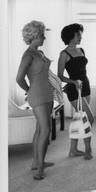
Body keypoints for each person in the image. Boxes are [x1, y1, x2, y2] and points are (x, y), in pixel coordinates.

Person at [15, 21, 54, 180]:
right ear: (33, 37)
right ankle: (39, 169)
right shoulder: (28, 55)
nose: (44, 38)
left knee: (40, 129)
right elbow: (19, 79)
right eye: (41, 35)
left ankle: (36, 162)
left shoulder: (40, 53)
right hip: (37, 94)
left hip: (47, 93)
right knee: (45, 130)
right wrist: (29, 90)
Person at [58, 23, 94, 160]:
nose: (80, 37)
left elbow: (82, 70)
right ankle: (88, 149)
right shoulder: (64, 54)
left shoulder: (81, 50)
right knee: (89, 118)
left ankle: (73, 150)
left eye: (81, 34)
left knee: (80, 119)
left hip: (85, 86)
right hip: (75, 89)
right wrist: (73, 82)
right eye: (78, 34)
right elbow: (60, 75)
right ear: (70, 36)